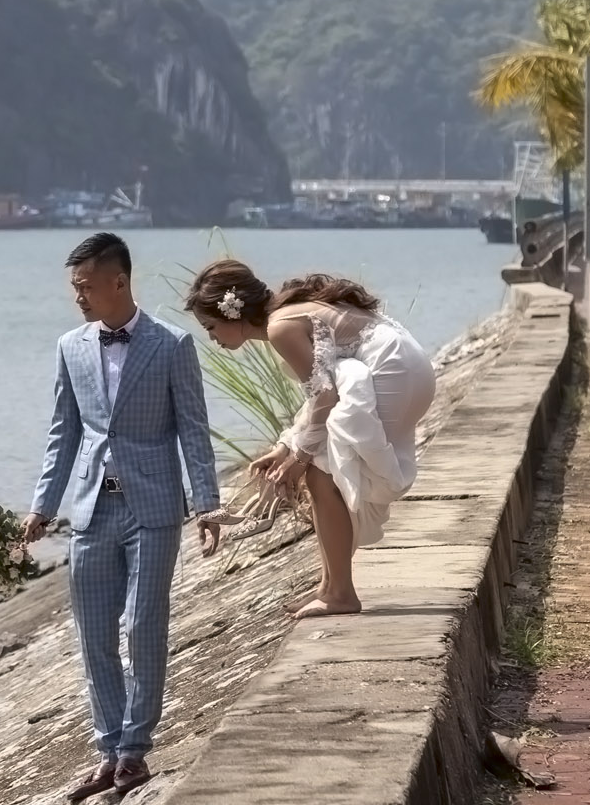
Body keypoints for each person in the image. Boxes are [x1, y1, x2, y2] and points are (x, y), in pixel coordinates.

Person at [25, 234, 221, 805]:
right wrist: (43, 505)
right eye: (74, 288)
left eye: (86, 286)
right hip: (91, 508)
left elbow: (193, 429)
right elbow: (63, 432)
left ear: (119, 282)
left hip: (154, 507)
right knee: (93, 635)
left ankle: (135, 750)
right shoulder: (70, 347)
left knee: (142, 625)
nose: (79, 297)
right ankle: (108, 749)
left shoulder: (173, 345)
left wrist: (206, 502)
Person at [183, 259, 437, 620]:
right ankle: (329, 588)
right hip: (410, 370)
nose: (212, 338)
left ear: (232, 312)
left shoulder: (279, 327)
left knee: (320, 473)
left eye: (210, 327)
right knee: (321, 468)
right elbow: (321, 394)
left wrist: (299, 458)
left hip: (394, 372)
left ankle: (341, 594)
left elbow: (325, 396)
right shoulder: (285, 315)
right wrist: (287, 446)